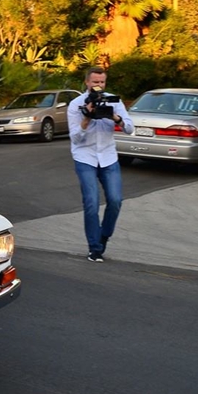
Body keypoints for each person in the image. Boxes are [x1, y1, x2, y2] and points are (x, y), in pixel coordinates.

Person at [67, 66, 135, 262]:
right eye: (95, 82)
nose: (98, 85)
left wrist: (114, 116)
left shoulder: (114, 100)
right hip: (85, 156)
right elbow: (75, 138)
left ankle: (103, 236)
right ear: (87, 82)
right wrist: (86, 119)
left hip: (108, 156)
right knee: (91, 203)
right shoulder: (76, 105)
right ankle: (94, 248)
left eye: (102, 82)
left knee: (115, 200)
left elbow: (130, 128)